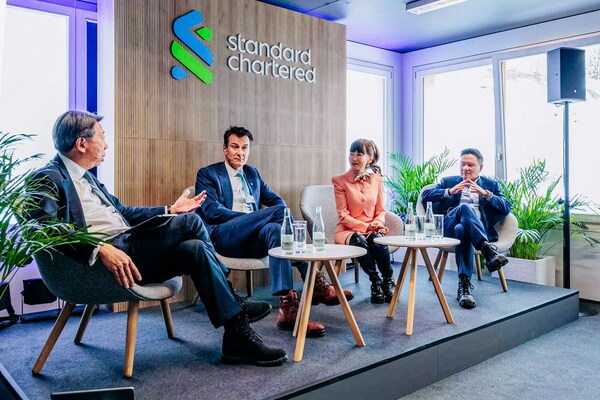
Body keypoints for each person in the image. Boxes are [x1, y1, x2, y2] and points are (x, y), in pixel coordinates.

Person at [27, 110, 287, 366]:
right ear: (82, 143)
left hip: (129, 250)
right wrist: (99, 247)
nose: (106, 144)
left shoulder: (89, 180)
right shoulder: (46, 178)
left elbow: (124, 212)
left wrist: (169, 210)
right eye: (102, 137)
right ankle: (236, 304)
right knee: (194, 221)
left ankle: (236, 338)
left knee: (195, 249)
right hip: (107, 259)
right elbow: (44, 230)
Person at [195, 126, 353, 337]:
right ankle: (314, 280)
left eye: (244, 148)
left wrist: (259, 220)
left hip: (254, 238)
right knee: (279, 214)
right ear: (225, 149)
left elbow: (276, 200)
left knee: (275, 230)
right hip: (225, 236)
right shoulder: (208, 174)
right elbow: (211, 211)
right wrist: (251, 219)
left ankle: (287, 306)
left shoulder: (252, 173)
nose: (240, 152)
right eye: (234, 147)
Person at [421, 148, 511, 309]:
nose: (465, 168)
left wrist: (486, 194)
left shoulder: (490, 185)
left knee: (462, 229)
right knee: (464, 208)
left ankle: (464, 286)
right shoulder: (449, 181)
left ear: (480, 168)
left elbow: (506, 208)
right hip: (448, 225)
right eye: (462, 164)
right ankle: (488, 251)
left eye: (470, 165)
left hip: (472, 229)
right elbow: (424, 197)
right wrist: (449, 191)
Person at [332, 139, 395, 304]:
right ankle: (376, 282)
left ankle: (388, 279)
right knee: (359, 239)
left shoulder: (377, 180)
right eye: (351, 153)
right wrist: (366, 226)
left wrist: (377, 223)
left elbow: (381, 210)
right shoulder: (339, 181)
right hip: (347, 230)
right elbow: (343, 215)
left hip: (372, 228)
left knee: (376, 238)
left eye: (359, 153)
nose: (354, 157)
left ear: (370, 158)